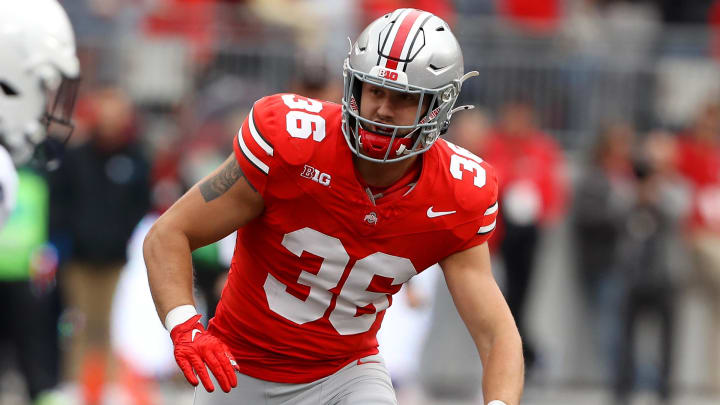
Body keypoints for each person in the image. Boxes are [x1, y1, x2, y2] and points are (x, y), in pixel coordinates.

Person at [144, 8, 524, 405]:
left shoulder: (457, 193)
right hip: (240, 368)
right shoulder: (292, 143)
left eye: (403, 98)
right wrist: (184, 327)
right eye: (375, 90)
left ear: (437, 108)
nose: (382, 109)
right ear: (354, 86)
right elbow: (169, 232)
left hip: (346, 374)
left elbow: (497, 335)